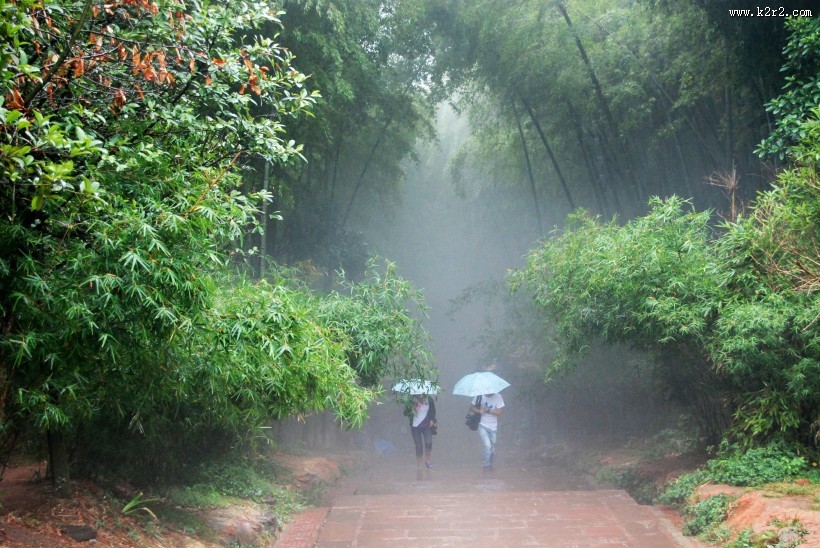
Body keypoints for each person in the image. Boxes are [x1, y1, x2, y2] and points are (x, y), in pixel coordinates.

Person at [468, 391, 504, 470]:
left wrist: (488, 410)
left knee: (492, 448)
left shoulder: (498, 397)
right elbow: (471, 407)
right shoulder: (479, 396)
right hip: (482, 425)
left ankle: (490, 464)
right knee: (487, 445)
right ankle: (486, 465)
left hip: (493, 427)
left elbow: (499, 413)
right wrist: (480, 411)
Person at [405, 393, 436, 469]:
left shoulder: (429, 399)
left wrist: (432, 419)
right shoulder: (411, 400)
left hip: (427, 426)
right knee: (418, 446)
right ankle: (419, 465)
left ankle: (427, 461)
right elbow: (405, 413)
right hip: (415, 426)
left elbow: (433, 411)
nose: (420, 394)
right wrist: (412, 408)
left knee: (429, 442)